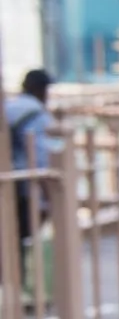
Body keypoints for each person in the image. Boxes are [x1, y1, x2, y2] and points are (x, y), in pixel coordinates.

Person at [4, 69, 60, 293]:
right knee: (21, 237)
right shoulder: (37, 115)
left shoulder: (9, 108)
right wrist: (50, 197)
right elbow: (42, 158)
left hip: (7, 181)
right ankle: (21, 289)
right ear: (42, 90)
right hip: (19, 185)